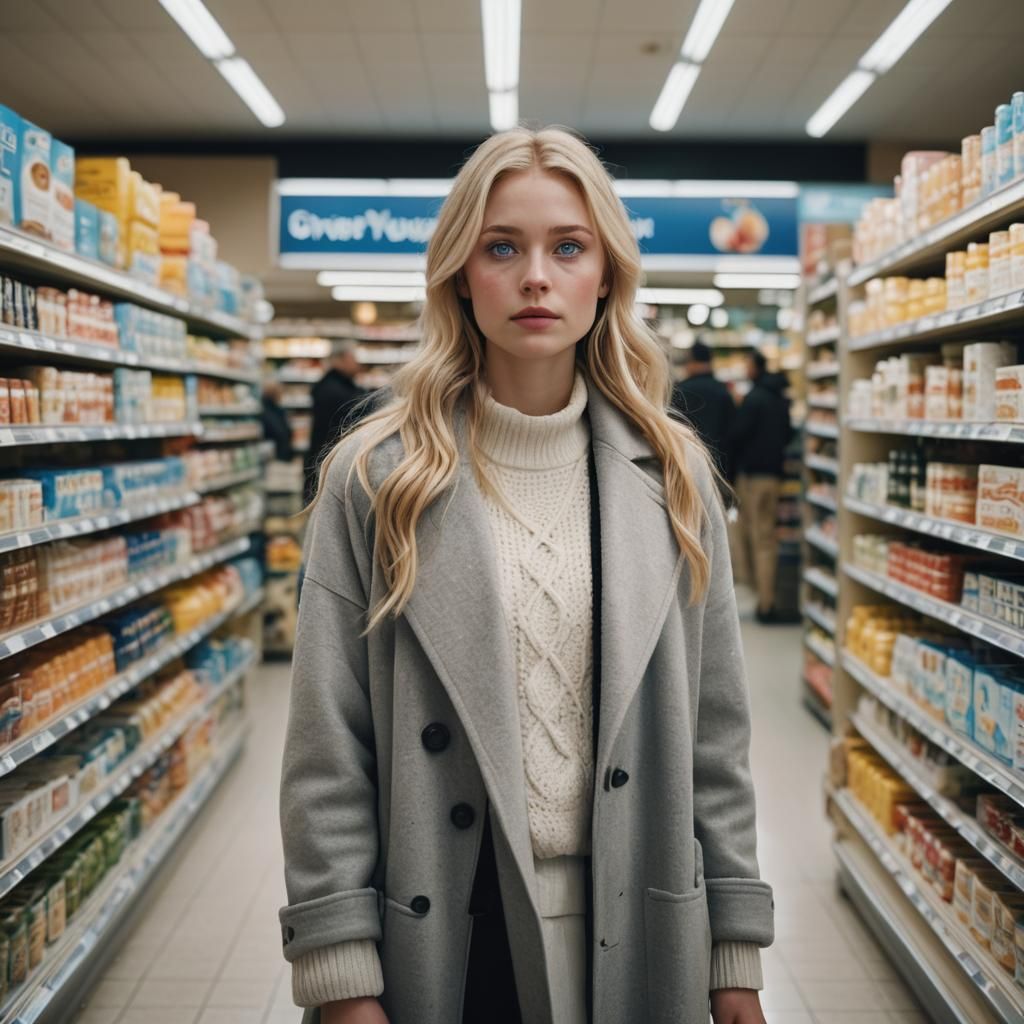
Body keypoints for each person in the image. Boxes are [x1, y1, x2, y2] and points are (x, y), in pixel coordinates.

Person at [278, 127, 773, 1024]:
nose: (535, 276)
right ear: (461, 274)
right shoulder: (379, 479)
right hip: (454, 928)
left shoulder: (675, 477)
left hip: (640, 917)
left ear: (606, 276)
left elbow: (715, 739)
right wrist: (341, 972)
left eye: (568, 247)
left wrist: (734, 949)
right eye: (502, 247)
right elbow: (327, 752)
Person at [730, 349, 792, 625]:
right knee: (766, 538)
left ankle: (762, 599)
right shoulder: (780, 399)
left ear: (755, 368)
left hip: (753, 478)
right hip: (774, 476)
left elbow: (737, 435)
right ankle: (766, 598)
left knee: (754, 535)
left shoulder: (753, 399)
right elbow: (789, 433)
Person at [303, 340, 373, 502]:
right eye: (353, 357)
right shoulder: (334, 390)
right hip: (330, 465)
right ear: (339, 359)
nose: (357, 362)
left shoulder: (331, 385)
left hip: (324, 462)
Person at [670, 339, 735, 482]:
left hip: (686, 468)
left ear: (691, 362)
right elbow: (732, 433)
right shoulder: (723, 392)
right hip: (718, 470)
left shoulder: (680, 391)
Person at [261, 379, 294, 463]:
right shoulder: (273, 412)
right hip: (277, 457)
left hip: (275, 455)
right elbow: (280, 433)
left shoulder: (266, 410)